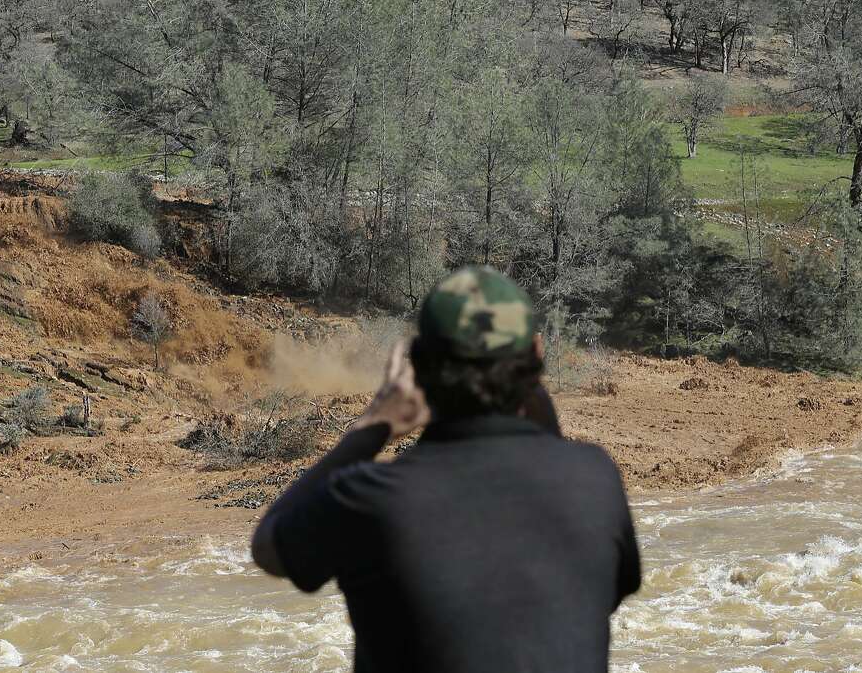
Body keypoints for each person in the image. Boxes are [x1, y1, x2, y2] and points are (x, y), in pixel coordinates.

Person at [251, 266, 640, 672]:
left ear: (415, 367)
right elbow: (605, 593)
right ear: (538, 355)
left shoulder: (373, 498)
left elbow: (269, 547)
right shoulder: (595, 479)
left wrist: (372, 428)